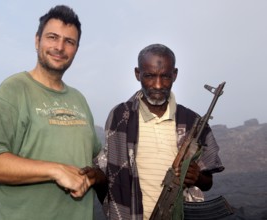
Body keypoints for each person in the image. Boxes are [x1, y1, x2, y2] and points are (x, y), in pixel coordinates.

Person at [0, 5, 105, 220]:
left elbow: (97, 159)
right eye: (52, 37)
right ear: (37, 41)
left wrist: (94, 176)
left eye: (69, 41)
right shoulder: (13, 90)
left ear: (76, 49)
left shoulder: (79, 99)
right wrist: (56, 170)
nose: (59, 47)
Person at [96, 43, 225, 219]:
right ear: (137, 74)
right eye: (149, 76)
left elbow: (208, 182)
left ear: (175, 75)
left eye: (165, 76)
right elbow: (110, 174)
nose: (157, 85)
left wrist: (196, 177)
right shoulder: (120, 117)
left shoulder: (192, 121)